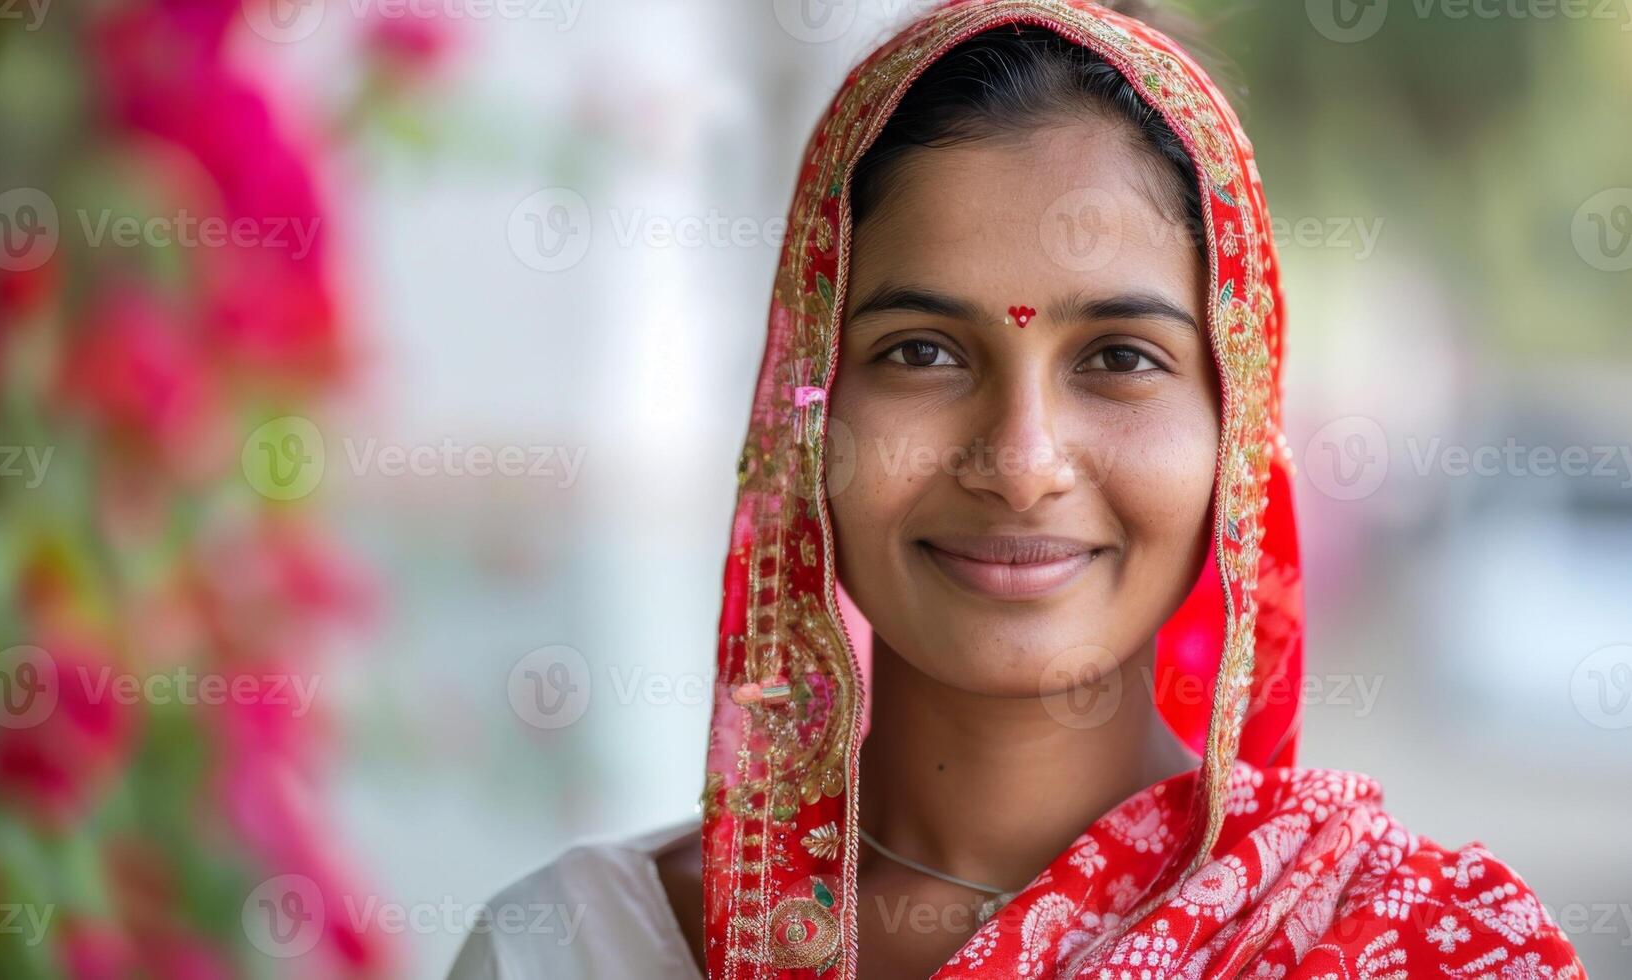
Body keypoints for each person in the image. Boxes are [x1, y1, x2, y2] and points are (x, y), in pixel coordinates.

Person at [451, 1, 1586, 976]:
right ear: (806, 406)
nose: (1023, 457)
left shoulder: (1400, 939)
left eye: (1120, 359)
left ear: (1236, 434)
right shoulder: (576, 946)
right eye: (922, 351)